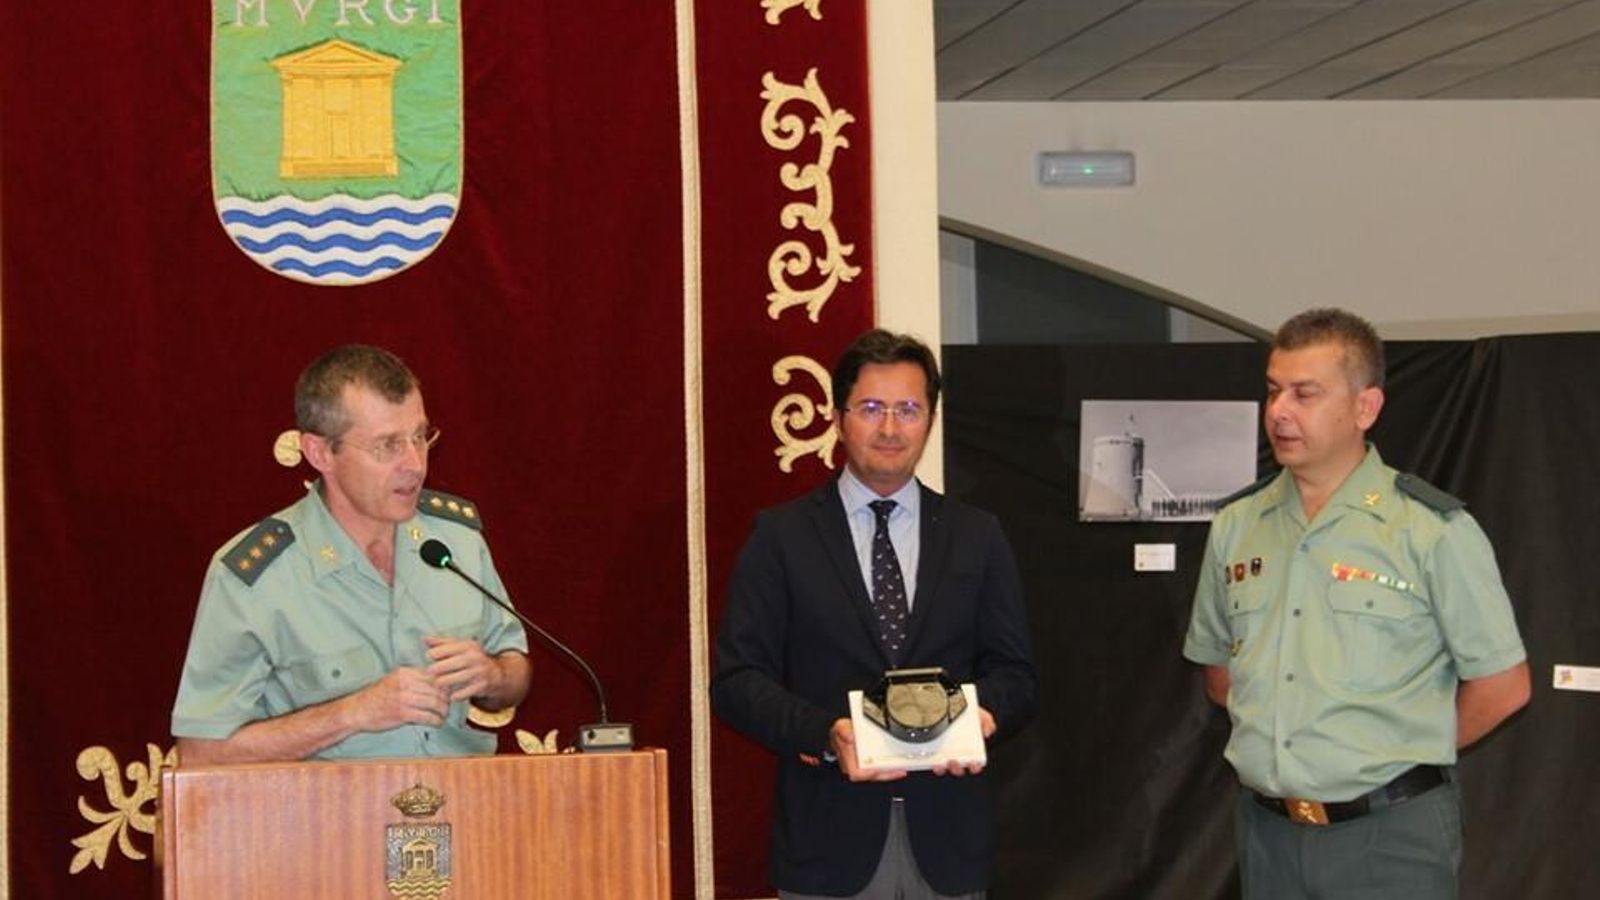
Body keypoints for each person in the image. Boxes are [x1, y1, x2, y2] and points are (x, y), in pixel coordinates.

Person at [1184, 308, 1530, 899]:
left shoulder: (1429, 530)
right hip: (1268, 833)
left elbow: (1504, 688)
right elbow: (1220, 672)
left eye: (1305, 393)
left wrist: (1394, 747)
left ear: (1365, 408)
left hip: (1389, 837)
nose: (1280, 412)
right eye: (1273, 391)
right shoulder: (1238, 526)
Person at [712, 328, 1038, 899]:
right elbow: (738, 682)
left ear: (930, 420)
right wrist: (825, 734)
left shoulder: (977, 536)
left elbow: (1017, 675)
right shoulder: (781, 537)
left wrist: (984, 716)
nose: (891, 428)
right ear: (839, 418)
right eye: (872, 408)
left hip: (949, 841)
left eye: (909, 409)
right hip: (827, 840)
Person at [171, 345, 530, 764]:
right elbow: (201, 753)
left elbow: (515, 669)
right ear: (320, 453)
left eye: (420, 436)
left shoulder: (456, 539)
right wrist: (352, 714)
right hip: (328, 819)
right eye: (387, 446)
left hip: (467, 804)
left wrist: (493, 674)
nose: (415, 464)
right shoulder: (256, 575)